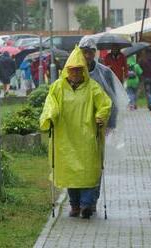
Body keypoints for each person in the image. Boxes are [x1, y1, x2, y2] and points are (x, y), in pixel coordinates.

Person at [39, 47, 112, 219]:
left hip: (86, 137)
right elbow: (51, 105)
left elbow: (105, 104)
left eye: (79, 70)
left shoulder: (93, 88)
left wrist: (101, 116)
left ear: (84, 70)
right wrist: (49, 117)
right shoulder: (57, 87)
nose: (76, 73)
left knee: (86, 172)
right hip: (65, 138)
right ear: (67, 70)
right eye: (73, 70)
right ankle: (75, 205)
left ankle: (86, 205)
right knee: (71, 172)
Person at [79, 38, 129, 212]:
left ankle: (91, 200)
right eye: (83, 52)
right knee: (78, 161)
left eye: (90, 52)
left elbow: (113, 98)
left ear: (95, 53)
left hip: (99, 125)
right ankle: (78, 200)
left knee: (95, 162)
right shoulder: (73, 70)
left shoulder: (105, 73)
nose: (87, 55)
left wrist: (111, 123)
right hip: (77, 126)